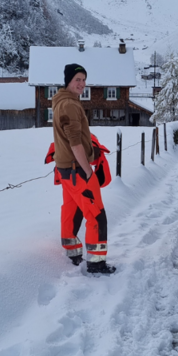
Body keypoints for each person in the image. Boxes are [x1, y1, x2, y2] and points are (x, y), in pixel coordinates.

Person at [52, 63, 114, 274]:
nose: (82, 83)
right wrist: (88, 171)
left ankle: (72, 251)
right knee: (96, 215)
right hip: (77, 170)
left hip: (65, 169)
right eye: (77, 79)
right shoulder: (69, 105)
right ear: (68, 81)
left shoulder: (61, 101)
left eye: (83, 79)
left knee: (71, 210)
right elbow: (75, 142)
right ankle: (96, 263)